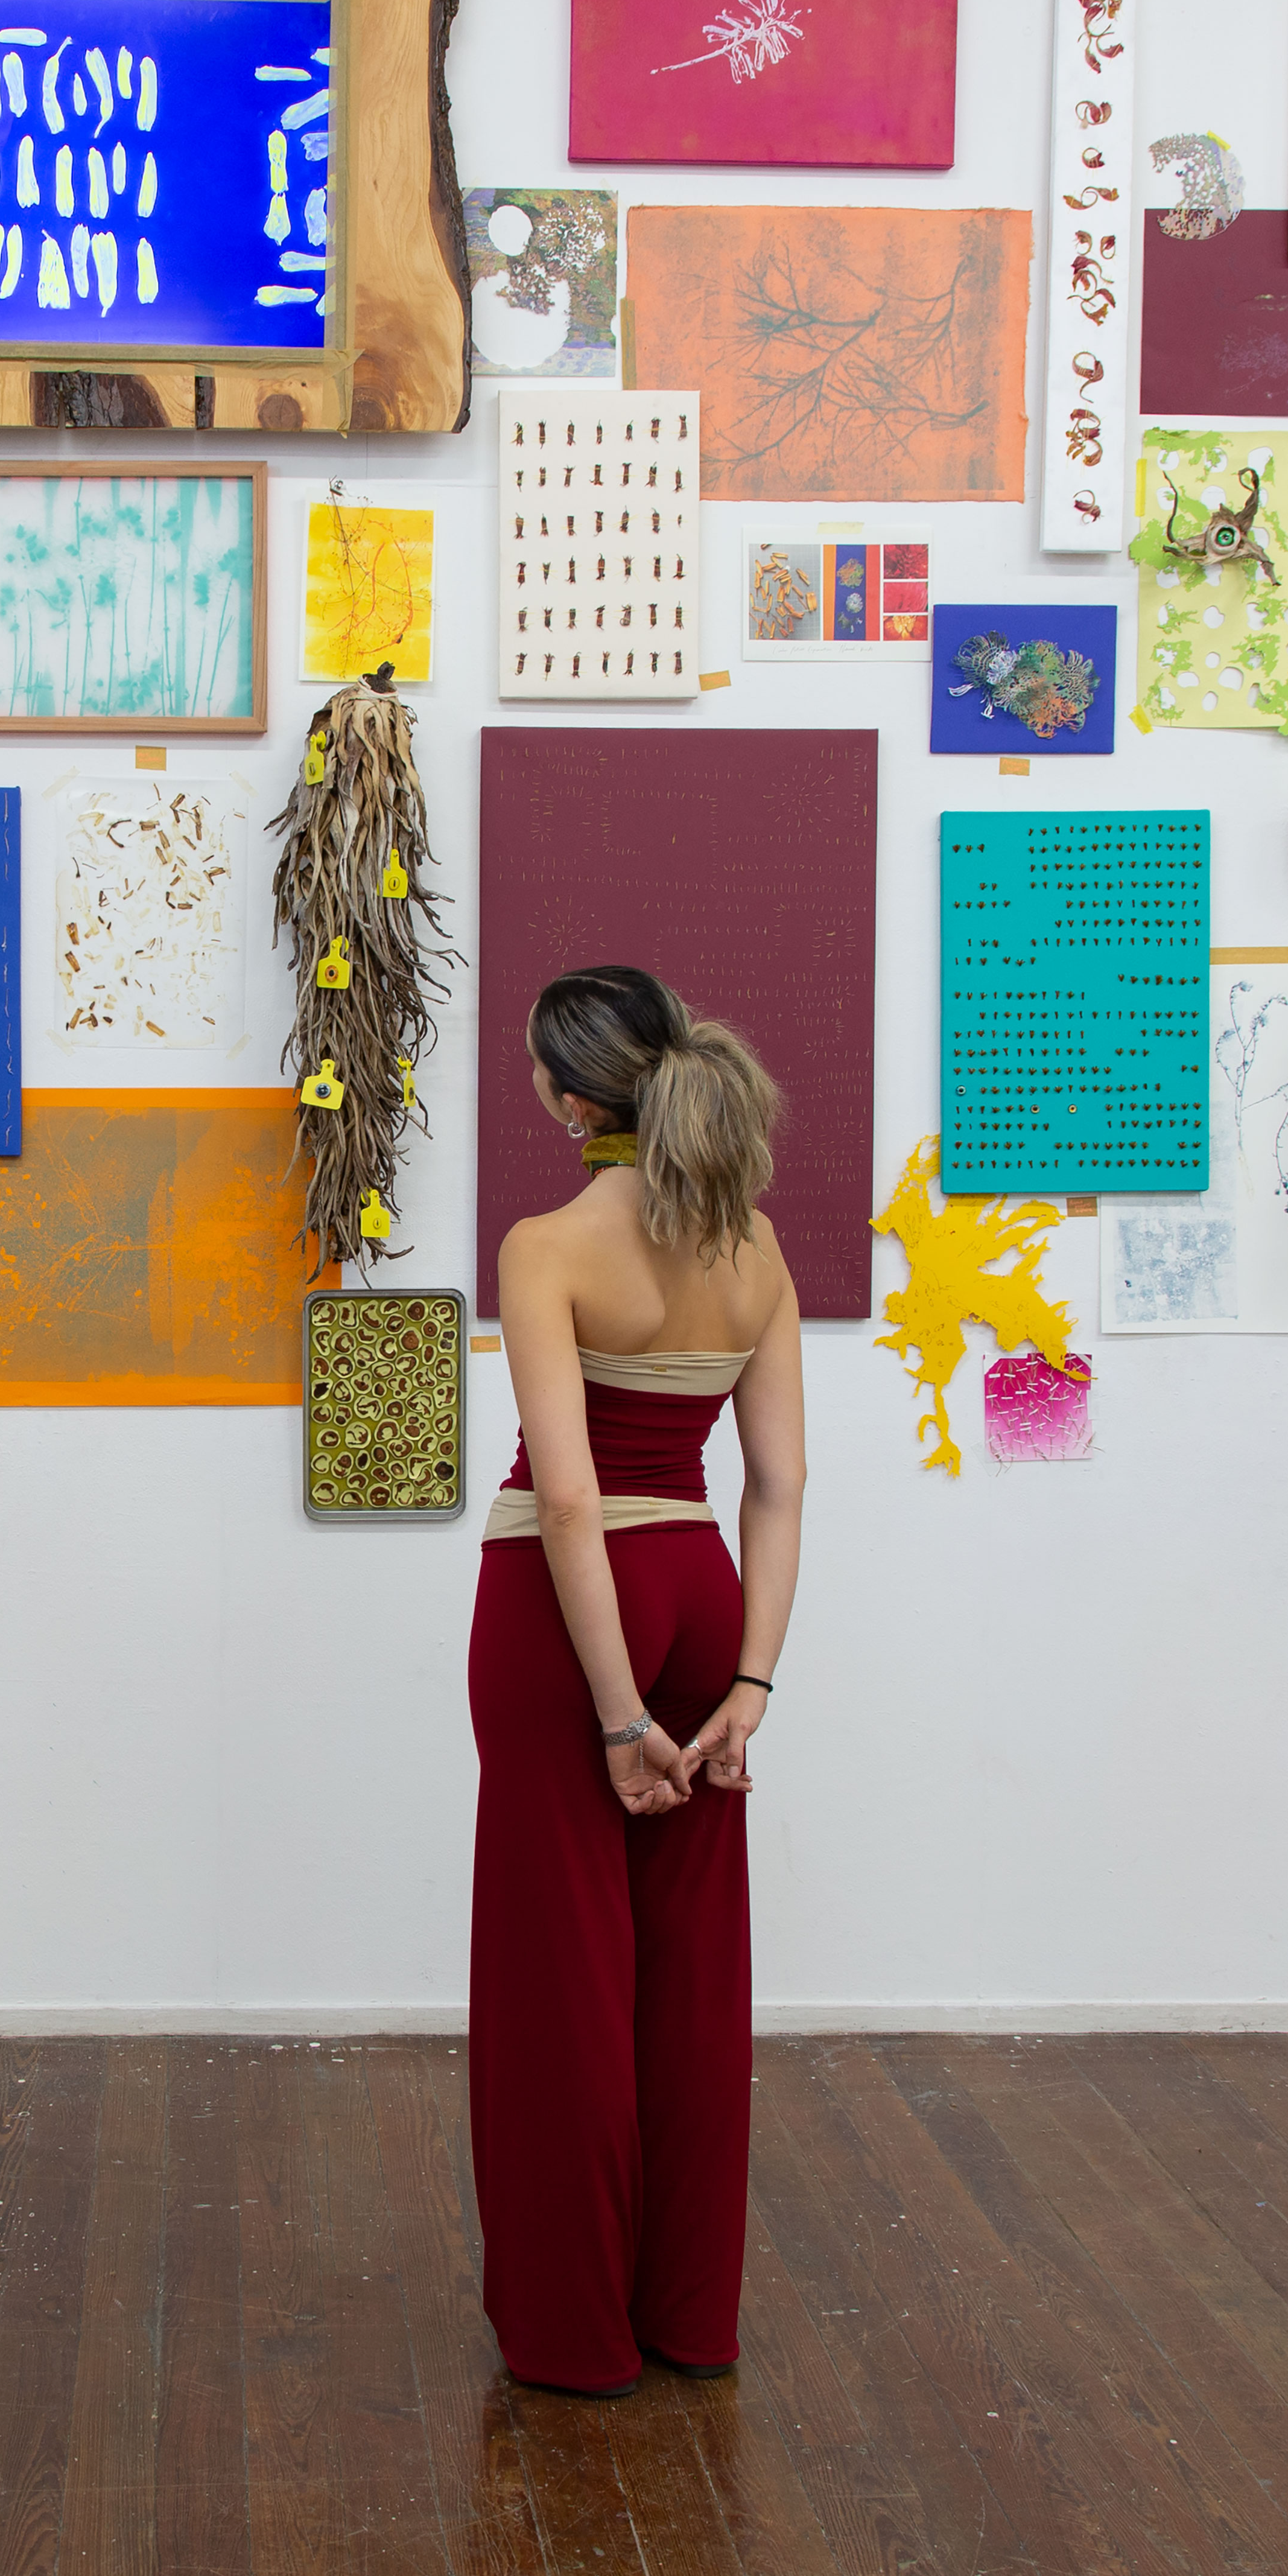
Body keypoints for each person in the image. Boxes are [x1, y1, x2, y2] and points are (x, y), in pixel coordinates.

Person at [466, 964, 805, 2397]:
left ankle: (574, 2335)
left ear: (562, 1094)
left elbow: (566, 1501)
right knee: (688, 1975)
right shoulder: (757, 1249)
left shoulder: (546, 1244)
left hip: (574, 1622)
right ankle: (686, 2316)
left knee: (566, 1976)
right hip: (704, 1603)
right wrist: (749, 1686)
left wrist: (616, 1713)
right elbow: (778, 1484)